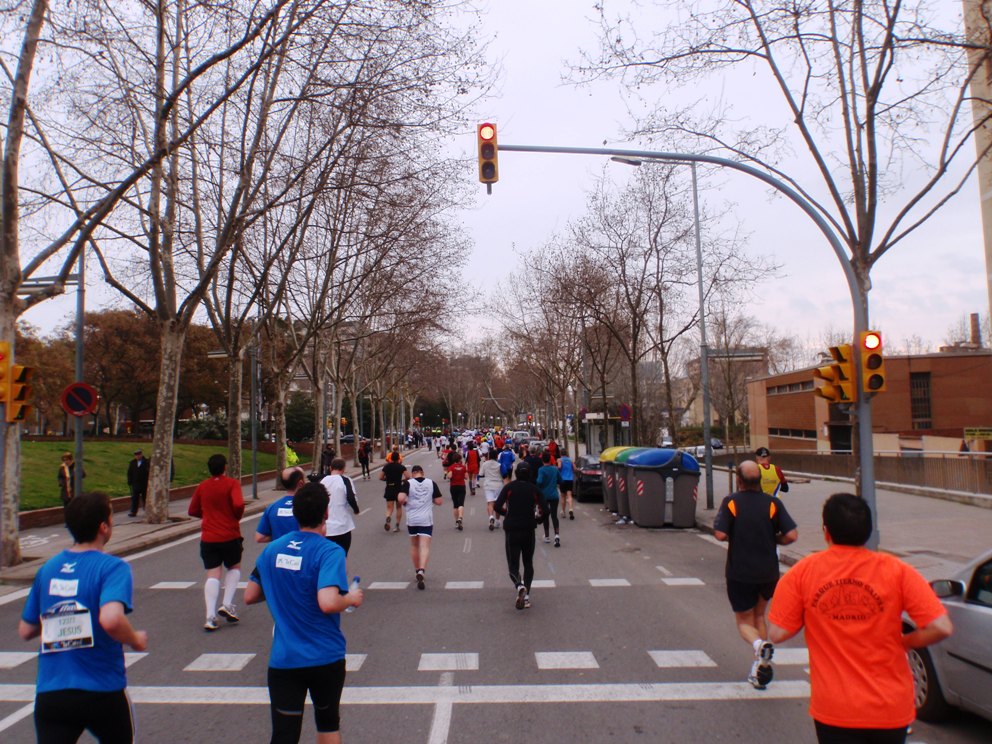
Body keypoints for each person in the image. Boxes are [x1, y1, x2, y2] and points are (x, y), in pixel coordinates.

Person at [768, 493, 953, 743]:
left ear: (826, 532)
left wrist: (812, 614)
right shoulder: (898, 571)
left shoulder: (803, 572)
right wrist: (906, 642)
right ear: (868, 531)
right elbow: (941, 627)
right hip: (890, 706)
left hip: (835, 709)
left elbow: (777, 633)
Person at [19, 491, 148, 743]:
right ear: (104, 527)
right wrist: (135, 639)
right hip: (102, 690)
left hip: (52, 693)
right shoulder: (112, 567)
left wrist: (61, 616)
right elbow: (111, 619)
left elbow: (26, 629)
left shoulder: (48, 569)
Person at [244, 482, 363, 744]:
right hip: (325, 656)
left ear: (296, 514)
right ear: (327, 514)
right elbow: (328, 602)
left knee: (284, 734)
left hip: (284, 660)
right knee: (328, 724)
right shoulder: (329, 551)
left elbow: (250, 596)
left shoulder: (271, 550)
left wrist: (281, 585)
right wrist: (351, 598)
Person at [713, 460, 798, 689]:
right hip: (768, 571)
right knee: (759, 615)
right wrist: (774, 538)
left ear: (739, 480)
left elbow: (720, 535)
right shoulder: (773, 504)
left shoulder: (731, 502)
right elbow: (791, 536)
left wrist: (735, 534)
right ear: (759, 480)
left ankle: (759, 645)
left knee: (743, 621)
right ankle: (760, 665)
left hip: (740, 571)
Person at [188, 453, 245, 631]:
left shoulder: (202, 486)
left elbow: (192, 510)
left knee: (213, 574)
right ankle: (226, 604)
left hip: (209, 537)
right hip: (230, 534)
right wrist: (235, 517)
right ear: (225, 467)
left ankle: (210, 616)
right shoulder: (232, 484)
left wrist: (207, 516)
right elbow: (238, 504)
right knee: (234, 567)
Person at [495, 462, 548, 610]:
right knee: (528, 563)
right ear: (530, 474)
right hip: (528, 529)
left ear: (516, 473)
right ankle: (527, 596)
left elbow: (497, 506)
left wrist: (509, 514)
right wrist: (538, 520)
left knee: (513, 565)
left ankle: (519, 586)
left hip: (512, 529)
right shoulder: (534, 490)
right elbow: (545, 509)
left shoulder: (509, 488)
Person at [397, 464, 443, 589]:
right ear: (422, 473)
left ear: (412, 474)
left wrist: (406, 502)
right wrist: (430, 499)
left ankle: (417, 570)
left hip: (412, 519)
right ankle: (422, 570)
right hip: (426, 520)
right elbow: (439, 501)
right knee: (424, 546)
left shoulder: (408, 483)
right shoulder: (431, 483)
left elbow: (400, 498)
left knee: (414, 545)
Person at [320, 458, 360, 556]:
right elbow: (351, 498)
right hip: (342, 527)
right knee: (342, 556)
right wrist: (356, 510)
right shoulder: (346, 480)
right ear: (343, 469)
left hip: (325, 528)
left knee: (326, 557)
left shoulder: (323, 481)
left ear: (330, 468)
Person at [256, 467, 306, 544]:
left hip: (279, 554)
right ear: (301, 483)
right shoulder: (309, 507)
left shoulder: (272, 507)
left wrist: (280, 537)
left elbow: (260, 537)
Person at [536, 451, 562, 547]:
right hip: (554, 495)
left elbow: (539, 481)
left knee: (545, 514)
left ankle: (547, 536)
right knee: (554, 516)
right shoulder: (555, 469)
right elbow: (561, 480)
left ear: (542, 460)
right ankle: (557, 536)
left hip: (544, 496)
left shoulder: (541, 470)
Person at [380, 450, 407, 532]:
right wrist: (403, 480)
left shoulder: (386, 467)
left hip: (389, 487)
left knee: (389, 507)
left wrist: (386, 479)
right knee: (398, 507)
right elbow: (408, 476)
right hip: (398, 488)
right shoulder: (401, 467)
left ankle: (388, 517)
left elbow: (380, 477)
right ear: (398, 458)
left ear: (391, 458)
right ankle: (397, 525)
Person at [480, 449, 504, 530]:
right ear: (497, 456)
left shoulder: (485, 464)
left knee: (490, 503)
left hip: (488, 485)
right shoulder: (499, 464)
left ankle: (491, 517)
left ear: (489, 456)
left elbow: (481, 474)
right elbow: (504, 475)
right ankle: (497, 521)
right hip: (498, 485)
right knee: (498, 504)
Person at [446, 451, 468, 530]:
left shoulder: (451, 467)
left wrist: (450, 474)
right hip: (461, 486)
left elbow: (449, 476)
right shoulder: (463, 467)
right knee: (461, 504)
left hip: (453, 487)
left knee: (455, 505)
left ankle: (456, 521)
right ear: (459, 459)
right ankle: (460, 517)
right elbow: (466, 477)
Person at [126, 449, 151, 517]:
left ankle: (147, 511)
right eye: (136, 455)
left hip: (144, 483)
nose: (137, 456)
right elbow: (129, 473)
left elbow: (149, 472)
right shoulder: (132, 463)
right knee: (134, 498)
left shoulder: (146, 462)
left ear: (141, 455)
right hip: (135, 484)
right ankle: (133, 511)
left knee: (145, 498)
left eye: (138, 455)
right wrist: (129, 480)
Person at [558, 450, 575, 520]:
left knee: (563, 496)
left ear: (561, 454)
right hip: (570, 479)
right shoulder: (571, 460)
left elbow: (559, 467)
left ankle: (563, 512)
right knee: (569, 495)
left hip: (562, 480)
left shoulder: (560, 460)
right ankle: (571, 509)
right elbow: (575, 468)